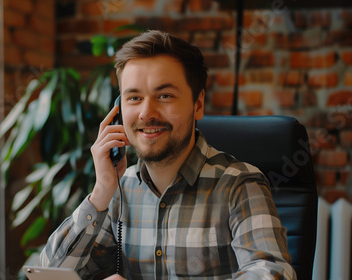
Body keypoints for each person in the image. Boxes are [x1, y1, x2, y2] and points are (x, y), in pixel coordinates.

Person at [38, 30, 296, 280]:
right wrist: (101, 191)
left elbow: (272, 273)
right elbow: (49, 274)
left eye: (164, 95)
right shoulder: (118, 190)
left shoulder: (240, 185)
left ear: (198, 104)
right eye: (134, 97)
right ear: (118, 111)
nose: (146, 113)